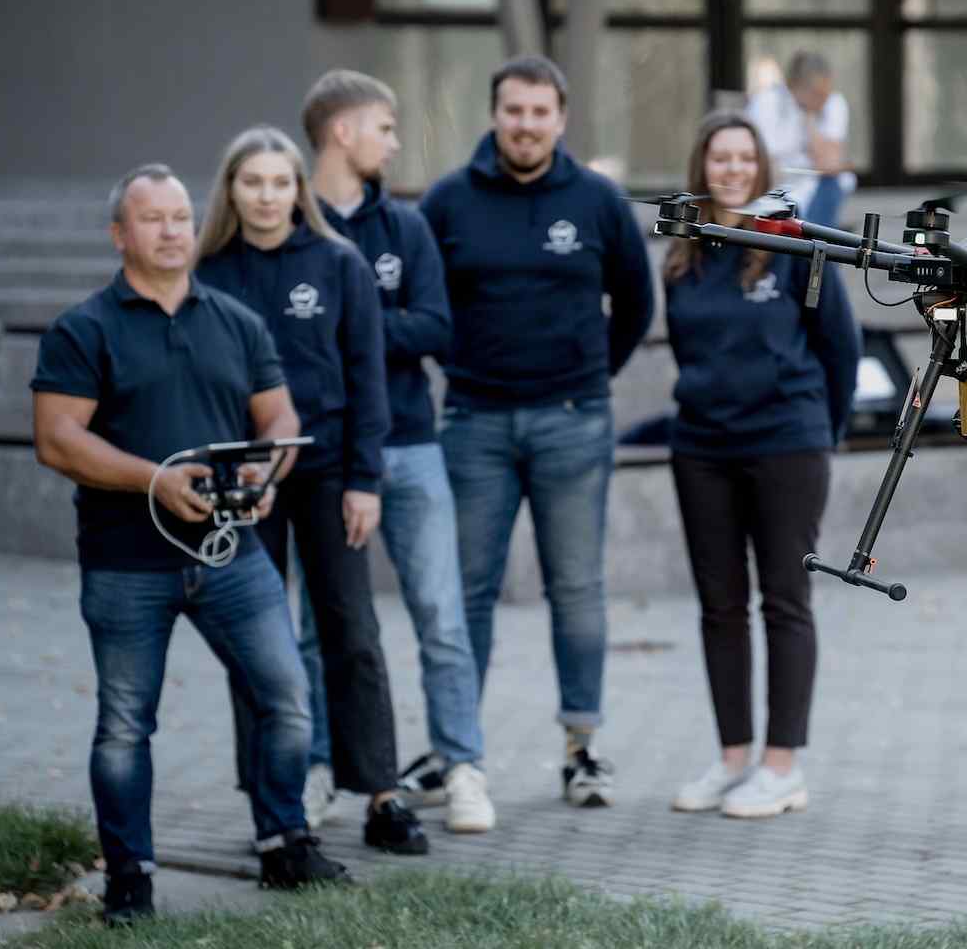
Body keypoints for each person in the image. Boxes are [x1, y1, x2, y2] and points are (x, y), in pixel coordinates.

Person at [30, 165, 349, 925]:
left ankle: (284, 843)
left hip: (233, 554)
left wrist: (268, 470)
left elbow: (279, 417)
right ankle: (129, 878)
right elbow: (57, 439)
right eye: (153, 219)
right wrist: (155, 479)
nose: (172, 231)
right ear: (120, 234)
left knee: (286, 699)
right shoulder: (84, 328)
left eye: (180, 217)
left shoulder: (235, 321)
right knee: (124, 726)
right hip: (126, 564)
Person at [419, 55, 654, 808]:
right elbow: (424, 305)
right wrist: (462, 366)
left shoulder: (597, 201)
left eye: (539, 112)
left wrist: (590, 372)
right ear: (495, 114)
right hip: (473, 424)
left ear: (561, 119)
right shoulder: (447, 202)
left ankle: (582, 750)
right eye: (513, 111)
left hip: (573, 423)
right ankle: (456, 753)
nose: (525, 125)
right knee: (464, 593)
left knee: (577, 591)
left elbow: (636, 303)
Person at [195, 126, 430, 855]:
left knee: (351, 631)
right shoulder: (207, 272)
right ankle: (275, 803)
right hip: (244, 477)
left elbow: (366, 379)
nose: (267, 196)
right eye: (252, 182)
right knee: (254, 639)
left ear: (299, 190)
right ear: (231, 191)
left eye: (280, 182)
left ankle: (382, 794)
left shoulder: (338, 263)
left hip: (329, 472)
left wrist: (365, 480)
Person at [294, 69, 492, 833]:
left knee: (442, 616)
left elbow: (436, 327)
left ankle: (462, 766)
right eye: (384, 126)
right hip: (320, 460)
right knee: (318, 627)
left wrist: (348, 328)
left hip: (410, 448)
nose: (395, 142)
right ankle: (317, 766)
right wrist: (372, 329)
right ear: (342, 132)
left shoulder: (405, 227)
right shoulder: (290, 225)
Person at [662, 112, 860, 819]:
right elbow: (688, 353)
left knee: (784, 600)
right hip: (701, 450)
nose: (733, 170)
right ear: (702, 169)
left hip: (787, 445)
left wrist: (822, 433)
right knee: (719, 607)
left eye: (746, 158)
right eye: (720, 158)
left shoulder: (794, 244)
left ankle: (782, 766)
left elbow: (840, 347)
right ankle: (732, 758)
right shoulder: (682, 255)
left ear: (763, 168)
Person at [745, 50, 856, 228]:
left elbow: (829, 164)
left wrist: (810, 118)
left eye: (826, 92)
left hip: (817, 184)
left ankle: (816, 239)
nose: (823, 99)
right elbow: (764, 162)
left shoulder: (833, 102)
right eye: (816, 93)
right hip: (776, 184)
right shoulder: (767, 102)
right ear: (793, 86)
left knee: (834, 182)